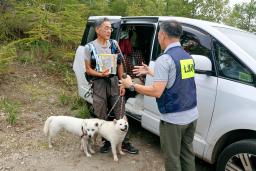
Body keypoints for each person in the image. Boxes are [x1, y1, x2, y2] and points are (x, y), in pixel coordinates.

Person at [120, 20, 198, 171]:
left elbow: (157, 91)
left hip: (174, 119)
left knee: (172, 157)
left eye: (158, 35)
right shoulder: (187, 56)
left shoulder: (165, 58)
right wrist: (151, 72)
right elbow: (177, 80)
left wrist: (131, 85)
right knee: (187, 154)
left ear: (162, 35)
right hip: (192, 115)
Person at [84, 17, 138, 154]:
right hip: (98, 82)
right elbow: (88, 69)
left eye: (110, 28)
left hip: (114, 81)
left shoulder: (114, 44)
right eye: (106, 28)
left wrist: (122, 83)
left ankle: (124, 142)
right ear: (98, 30)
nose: (109, 30)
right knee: (100, 112)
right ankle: (107, 141)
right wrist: (100, 74)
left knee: (120, 112)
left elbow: (120, 64)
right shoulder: (89, 47)